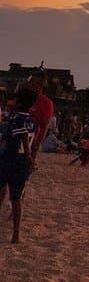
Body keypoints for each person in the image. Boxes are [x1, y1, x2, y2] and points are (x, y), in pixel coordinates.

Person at [0, 85, 38, 242]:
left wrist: (28, 155)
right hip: (21, 163)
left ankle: (15, 232)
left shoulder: (18, 120)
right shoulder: (32, 121)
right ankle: (16, 232)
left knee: (4, 192)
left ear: (20, 102)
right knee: (16, 199)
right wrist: (29, 157)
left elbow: (21, 137)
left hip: (11, 160)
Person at [26, 72, 55, 164]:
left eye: (33, 82)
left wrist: (37, 147)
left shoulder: (46, 103)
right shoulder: (25, 98)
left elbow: (44, 127)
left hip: (31, 141)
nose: (30, 85)